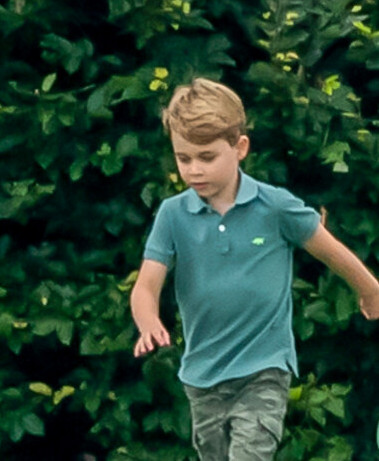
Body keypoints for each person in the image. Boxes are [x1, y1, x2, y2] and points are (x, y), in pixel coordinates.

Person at [130, 78, 379, 461]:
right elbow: (147, 285)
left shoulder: (275, 206)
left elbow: (331, 252)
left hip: (264, 367)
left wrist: (370, 289)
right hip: (202, 376)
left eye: (207, 157)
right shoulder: (172, 215)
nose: (194, 169)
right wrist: (148, 323)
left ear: (240, 147)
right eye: (184, 159)